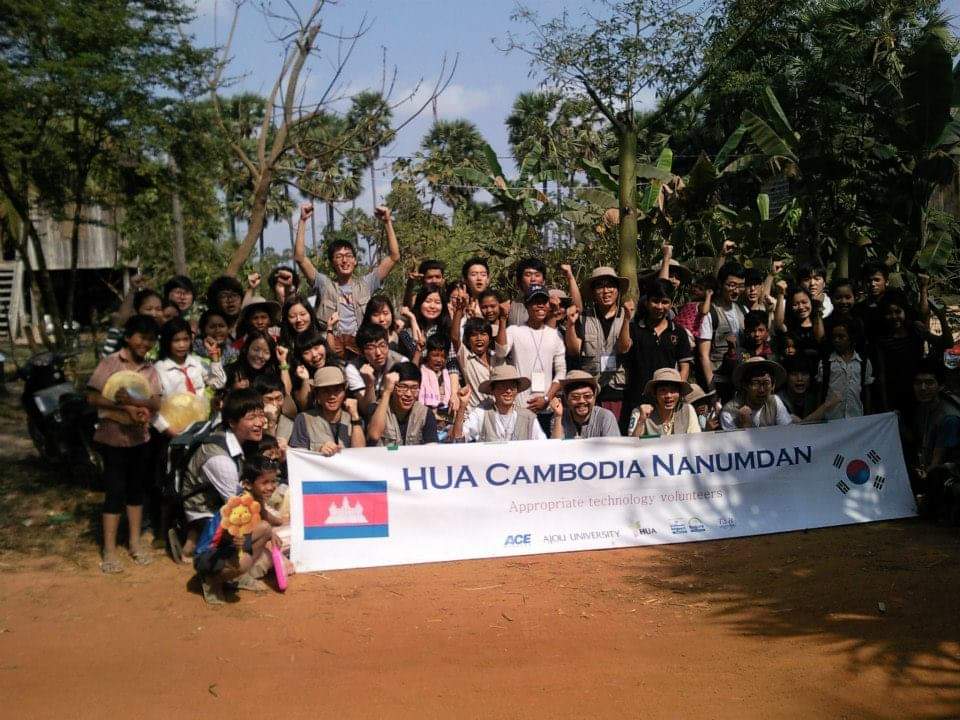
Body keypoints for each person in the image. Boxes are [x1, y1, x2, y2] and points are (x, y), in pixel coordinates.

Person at [86, 315, 163, 573]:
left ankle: (134, 543)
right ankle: (109, 550)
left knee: (136, 491)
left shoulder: (150, 370)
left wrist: (133, 400)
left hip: (140, 438)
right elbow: (92, 397)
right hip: (112, 438)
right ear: (128, 337)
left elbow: (156, 402)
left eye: (151, 339)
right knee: (114, 491)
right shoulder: (110, 363)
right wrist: (123, 407)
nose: (146, 343)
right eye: (141, 337)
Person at [293, 202, 400, 356]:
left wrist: (387, 222)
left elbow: (394, 257)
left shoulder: (367, 283)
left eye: (349, 256)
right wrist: (303, 220)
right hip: (333, 346)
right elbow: (300, 258)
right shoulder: (324, 284)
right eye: (339, 257)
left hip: (362, 347)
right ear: (332, 263)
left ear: (355, 261)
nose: (344, 260)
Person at [175, 388, 266, 563]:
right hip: (204, 511)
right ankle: (204, 552)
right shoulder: (219, 457)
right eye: (251, 418)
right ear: (232, 422)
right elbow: (236, 506)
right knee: (263, 531)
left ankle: (194, 539)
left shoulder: (238, 439)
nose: (259, 423)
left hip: (217, 502)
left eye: (261, 415)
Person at [192, 454, 283, 604]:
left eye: (273, 481)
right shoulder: (240, 504)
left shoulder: (255, 497)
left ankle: (237, 576)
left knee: (266, 529)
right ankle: (211, 581)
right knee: (244, 562)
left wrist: (274, 530)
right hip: (208, 555)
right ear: (247, 484)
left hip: (225, 548)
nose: (271, 487)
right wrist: (236, 541)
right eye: (265, 482)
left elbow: (264, 516)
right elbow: (225, 533)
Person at [623, 278, 693, 430]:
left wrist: (676, 394)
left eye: (665, 302)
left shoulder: (678, 332)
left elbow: (684, 367)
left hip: (666, 400)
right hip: (638, 399)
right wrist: (626, 319)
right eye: (655, 301)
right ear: (647, 302)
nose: (660, 307)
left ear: (671, 303)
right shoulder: (634, 329)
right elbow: (623, 347)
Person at [495, 284, 566, 433]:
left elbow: (561, 372)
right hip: (520, 408)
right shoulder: (514, 330)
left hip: (546, 409)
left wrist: (546, 399)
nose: (540, 305)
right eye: (535, 301)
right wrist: (502, 318)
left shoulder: (555, 335)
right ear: (526, 305)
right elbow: (501, 352)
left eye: (544, 301)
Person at [564, 266, 632, 419]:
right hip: (590, 392)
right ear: (593, 292)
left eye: (610, 286)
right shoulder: (585, 318)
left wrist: (627, 320)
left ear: (618, 290)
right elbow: (574, 350)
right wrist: (570, 325)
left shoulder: (627, 316)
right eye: (600, 287)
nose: (606, 291)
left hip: (618, 391)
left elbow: (624, 347)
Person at [153, 318, 220, 432]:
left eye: (186, 339)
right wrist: (167, 430)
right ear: (167, 342)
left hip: (201, 423)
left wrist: (214, 357)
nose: (182, 345)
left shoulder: (197, 362)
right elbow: (154, 406)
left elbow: (218, 383)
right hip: (175, 428)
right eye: (176, 340)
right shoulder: (159, 369)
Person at [451, 365, 549, 442]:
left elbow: (543, 446)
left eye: (512, 386)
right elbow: (457, 440)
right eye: (503, 386)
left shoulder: (529, 418)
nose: (508, 391)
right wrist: (462, 407)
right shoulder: (481, 413)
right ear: (492, 390)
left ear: (517, 390)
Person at [289, 366, 365, 455]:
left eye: (337, 390)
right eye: (325, 391)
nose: (332, 396)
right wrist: (318, 452)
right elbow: (298, 456)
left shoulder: (354, 419)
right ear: (317, 395)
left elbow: (360, 454)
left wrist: (355, 418)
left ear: (344, 392)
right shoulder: (304, 419)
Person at [698, 262, 747, 399]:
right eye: (731, 285)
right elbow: (703, 355)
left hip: (741, 383)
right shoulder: (711, 313)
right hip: (719, 382)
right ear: (720, 284)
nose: (736, 291)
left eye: (741, 286)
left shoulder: (743, 310)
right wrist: (712, 391)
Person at [366, 362, 439, 446]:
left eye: (414, 388)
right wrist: (387, 392)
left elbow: (432, 447)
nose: (408, 394)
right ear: (393, 387)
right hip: (387, 454)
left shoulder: (425, 413)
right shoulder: (376, 409)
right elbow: (374, 435)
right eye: (402, 387)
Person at [345, 324, 407, 415]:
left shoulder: (401, 362)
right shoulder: (353, 368)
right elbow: (367, 410)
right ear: (361, 352)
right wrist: (369, 384)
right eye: (371, 348)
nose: (378, 353)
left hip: (394, 412)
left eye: (382, 345)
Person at [821, 317, 873, 420]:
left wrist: (867, 417)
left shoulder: (862, 362)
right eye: (834, 337)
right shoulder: (826, 362)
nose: (836, 340)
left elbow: (866, 391)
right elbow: (821, 391)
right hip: (831, 418)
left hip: (856, 417)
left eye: (841, 337)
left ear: (852, 338)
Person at [720, 357, 793, 429]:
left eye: (766, 383)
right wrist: (745, 426)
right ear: (745, 385)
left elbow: (787, 431)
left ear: (773, 386)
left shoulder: (774, 402)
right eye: (755, 383)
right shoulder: (729, 412)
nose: (761, 390)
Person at [632, 368, 700, 437]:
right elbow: (632, 443)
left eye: (673, 390)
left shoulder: (687, 410)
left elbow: (696, 439)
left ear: (679, 393)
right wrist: (641, 420)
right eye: (663, 390)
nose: (669, 395)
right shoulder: (639, 412)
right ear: (655, 393)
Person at [553, 370, 620, 439]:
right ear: (566, 399)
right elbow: (555, 445)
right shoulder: (560, 416)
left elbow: (612, 445)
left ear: (594, 397)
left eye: (587, 396)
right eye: (576, 397)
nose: (581, 401)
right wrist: (558, 417)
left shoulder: (605, 417)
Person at [453, 317, 501, 412]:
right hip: (474, 414)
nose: (479, 338)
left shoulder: (498, 358)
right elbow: (455, 338)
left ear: (490, 339)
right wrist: (458, 311)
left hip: (496, 414)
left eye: (483, 334)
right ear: (467, 340)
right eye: (474, 335)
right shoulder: (466, 358)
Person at [290, 329, 329, 411]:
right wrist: (305, 380)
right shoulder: (298, 375)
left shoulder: (339, 367)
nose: (314, 355)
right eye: (306, 352)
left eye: (316, 348)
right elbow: (303, 407)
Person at [255, 374, 294, 444]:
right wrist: (271, 423)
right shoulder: (253, 424)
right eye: (268, 399)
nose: (274, 404)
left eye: (279, 399)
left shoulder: (289, 424)